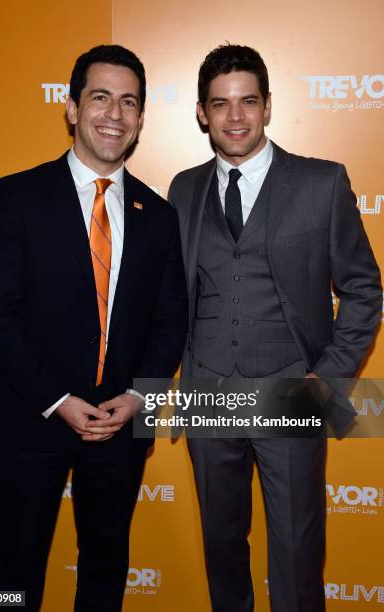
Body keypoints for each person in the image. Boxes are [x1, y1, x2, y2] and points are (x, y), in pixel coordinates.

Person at [0, 44, 187, 612]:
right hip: (31, 417)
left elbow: (171, 319)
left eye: (128, 102)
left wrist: (141, 395)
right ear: (70, 108)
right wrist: (57, 398)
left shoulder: (159, 216)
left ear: (141, 117)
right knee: (11, 576)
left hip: (121, 424)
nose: (114, 114)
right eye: (100, 98)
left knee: (105, 567)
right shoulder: (16, 197)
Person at [168, 43, 381, 612]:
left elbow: (363, 289)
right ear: (201, 113)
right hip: (207, 394)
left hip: (291, 389)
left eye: (247, 102)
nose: (235, 118)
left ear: (267, 107)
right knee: (222, 552)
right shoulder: (182, 189)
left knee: (296, 556)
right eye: (220, 105)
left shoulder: (320, 182)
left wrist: (327, 380)